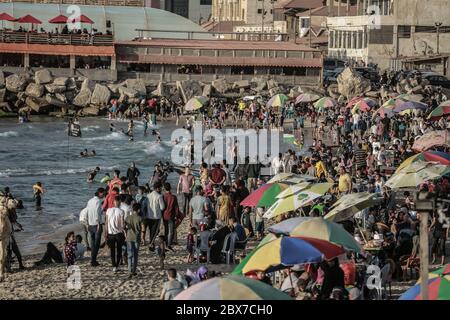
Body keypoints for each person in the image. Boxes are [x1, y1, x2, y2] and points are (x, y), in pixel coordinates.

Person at [105, 196, 125, 273]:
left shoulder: (108, 210)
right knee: (119, 250)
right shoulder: (121, 211)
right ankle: (117, 265)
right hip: (119, 233)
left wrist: (105, 232)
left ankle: (114, 266)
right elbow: (122, 224)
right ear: (119, 202)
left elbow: (106, 222)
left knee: (112, 250)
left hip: (110, 233)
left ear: (114, 202)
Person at [125, 203, 142, 278]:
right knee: (135, 255)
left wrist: (126, 233)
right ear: (138, 209)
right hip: (136, 238)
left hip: (129, 237)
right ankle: (133, 271)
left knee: (129, 254)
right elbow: (143, 228)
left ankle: (129, 270)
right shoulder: (139, 218)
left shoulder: (128, 217)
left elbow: (124, 227)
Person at [147, 182, 165, 251]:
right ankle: (151, 244)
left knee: (151, 230)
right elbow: (162, 207)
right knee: (155, 231)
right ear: (158, 188)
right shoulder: (159, 196)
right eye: (160, 187)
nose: (161, 189)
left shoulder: (148, 195)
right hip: (156, 216)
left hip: (149, 215)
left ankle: (151, 243)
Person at [163, 182, 178, 250]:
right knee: (171, 231)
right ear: (170, 188)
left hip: (164, 215)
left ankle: (166, 243)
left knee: (166, 230)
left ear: (164, 188)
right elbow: (176, 207)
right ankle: (169, 244)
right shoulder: (173, 197)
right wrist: (176, 215)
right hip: (171, 215)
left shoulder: (163, 196)